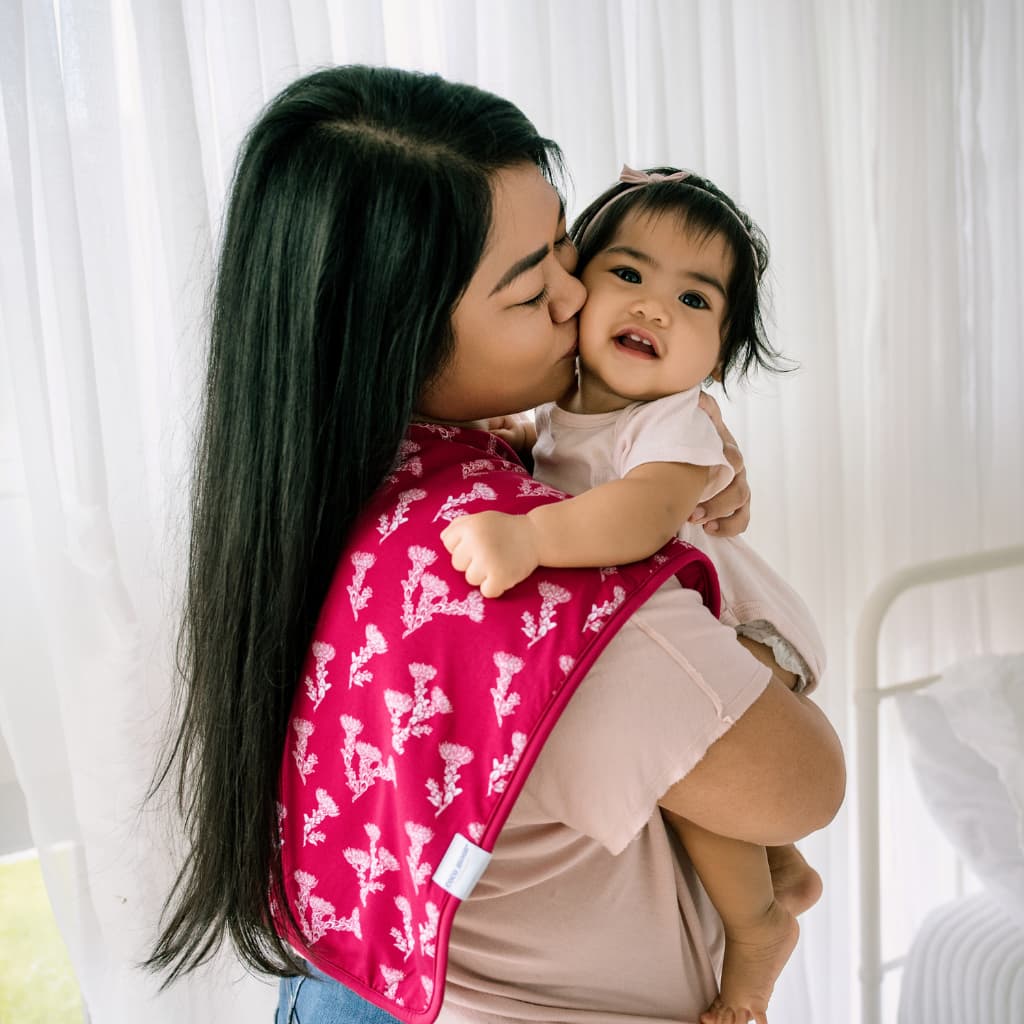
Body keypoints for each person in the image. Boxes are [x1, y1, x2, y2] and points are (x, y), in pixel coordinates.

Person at [145, 65, 845, 1024]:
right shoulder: (527, 574)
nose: (580, 294)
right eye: (531, 291)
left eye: (566, 244)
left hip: (341, 988)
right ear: (394, 338)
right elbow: (803, 785)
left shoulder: (314, 483)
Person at [440, 165, 828, 1023]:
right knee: (692, 778)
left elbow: (644, 517)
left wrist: (532, 537)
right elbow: (567, 460)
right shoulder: (568, 414)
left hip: (744, 625)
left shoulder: (677, 425)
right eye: (628, 274)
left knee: (691, 782)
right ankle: (783, 866)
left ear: (717, 358)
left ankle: (757, 925)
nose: (654, 307)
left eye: (695, 301)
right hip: (704, 623)